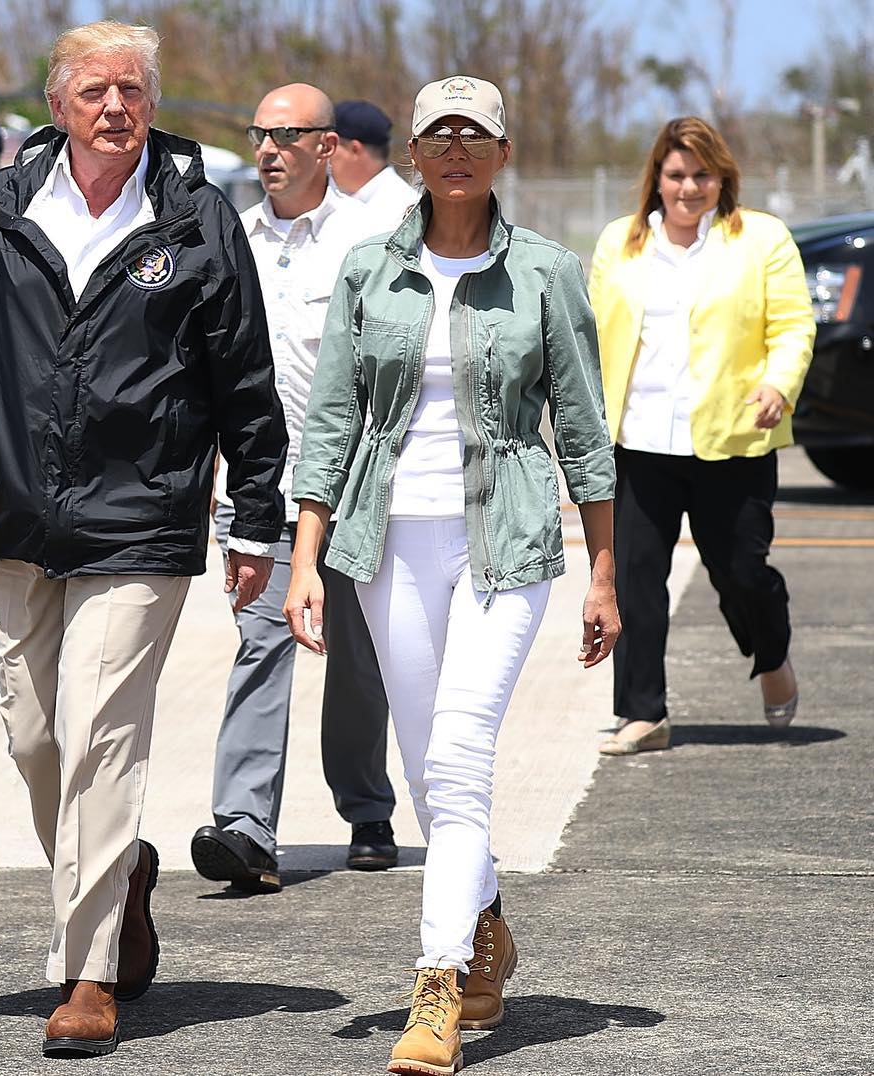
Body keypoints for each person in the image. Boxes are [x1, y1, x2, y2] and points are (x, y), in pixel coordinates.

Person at [0, 21, 286, 1058]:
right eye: (95, 91)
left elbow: (244, 379)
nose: (116, 107)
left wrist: (254, 515)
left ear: (152, 103)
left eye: (133, 90)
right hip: (13, 522)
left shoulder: (197, 218)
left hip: (142, 519)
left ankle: (88, 972)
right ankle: (122, 874)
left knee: (100, 735)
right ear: (57, 104)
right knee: (36, 740)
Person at [284, 75, 618, 1075]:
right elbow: (332, 421)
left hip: (504, 541)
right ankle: (486, 924)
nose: (458, 148)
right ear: (415, 156)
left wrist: (604, 573)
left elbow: (585, 430)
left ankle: (436, 985)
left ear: (503, 153)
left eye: (476, 134)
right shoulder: (369, 269)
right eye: (440, 135)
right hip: (387, 541)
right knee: (429, 764)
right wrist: (305, 558)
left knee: (461, 750)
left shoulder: (548, 272)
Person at [192, 83, 399, 894]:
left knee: (357, 659)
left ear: (328, 146)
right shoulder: (228, 240)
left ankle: (367, 810)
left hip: (350, 486)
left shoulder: (370, 241)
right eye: (260, 136)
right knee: (260, 643)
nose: (268, 151)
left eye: (286, 136)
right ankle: (245, 828)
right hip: (259, 488)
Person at [588, 116, 816, 755]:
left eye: (702, 175)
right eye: (676, 174)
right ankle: (643, 713)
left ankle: (772, 655)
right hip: (639, 442)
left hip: (732, 438)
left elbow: (793, 325)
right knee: (635, 579)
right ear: (656, 179)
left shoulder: (761, 238)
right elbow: (588, 332)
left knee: (741, 572)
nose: (688, 187)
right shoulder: (620, 243)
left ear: (722, 178)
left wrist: (778, 385)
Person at [331, 99, 418, 220]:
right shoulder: (338, 199)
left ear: (354, 150)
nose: (324, 154)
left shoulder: (403, 210)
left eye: (330, 146)